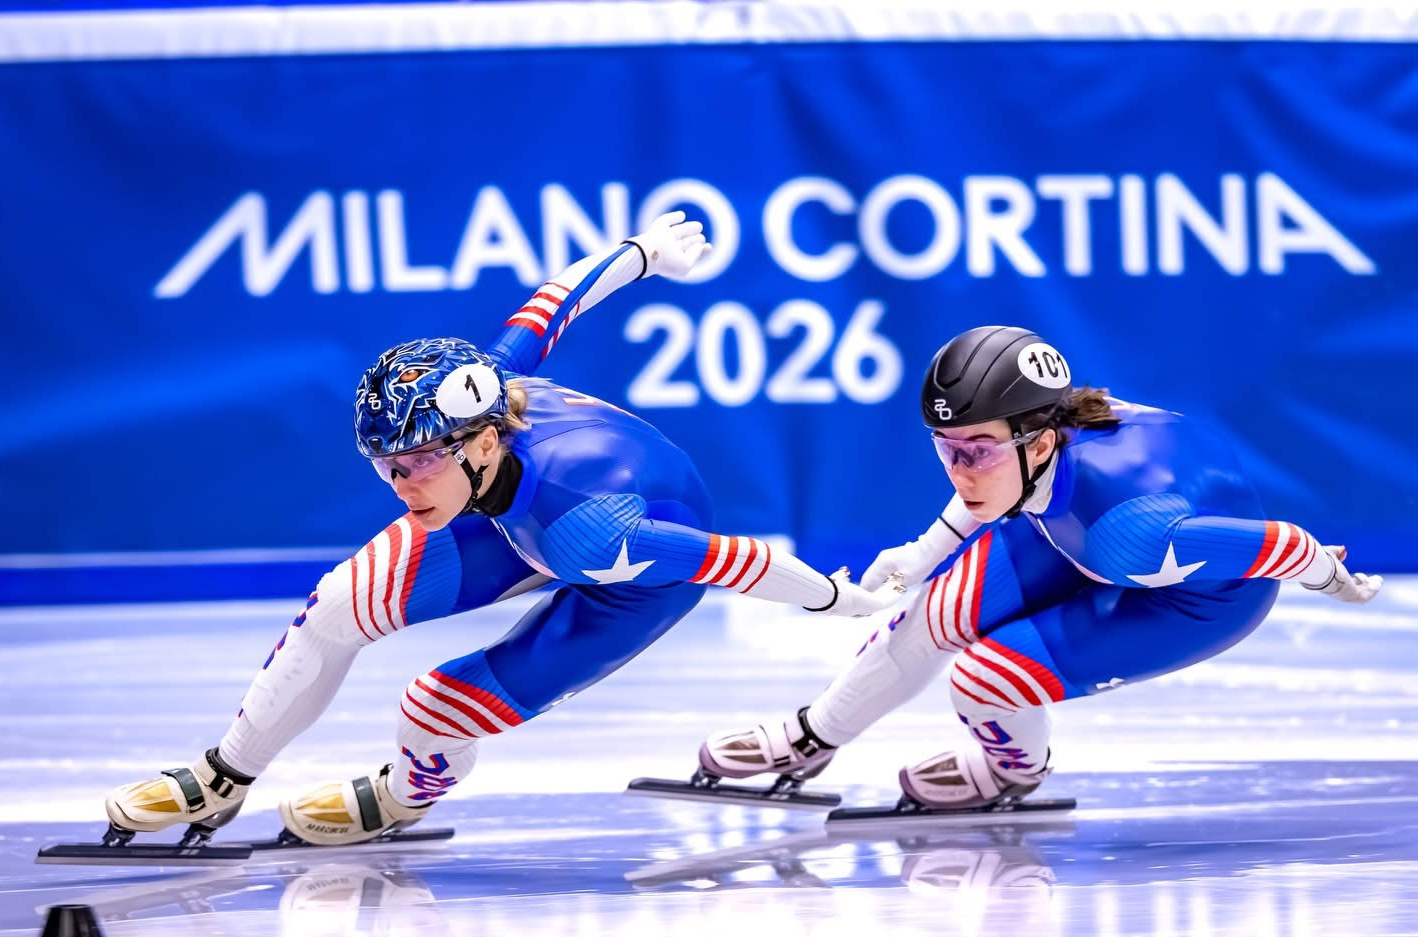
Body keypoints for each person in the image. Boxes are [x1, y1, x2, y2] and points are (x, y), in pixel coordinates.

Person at [104, 213, 904, 846]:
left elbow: (729, 561)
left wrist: (838, 598)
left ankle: (399, 798)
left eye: (417, 463)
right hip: (507, 514)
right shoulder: (486, 391)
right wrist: (642, 253)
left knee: (434, 707)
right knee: (336, 609)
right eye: (384, 465)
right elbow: (555, 300)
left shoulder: (589, 530)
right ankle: (223, 775)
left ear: (483, 440)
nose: (399, 484)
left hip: (624, 572)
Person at [700, 325, 1384, 810]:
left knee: (985, 678)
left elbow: (1283, 545)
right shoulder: (1030, 449)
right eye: (947, 448)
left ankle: (1010, 773)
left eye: (977, 451)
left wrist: (1336, 580)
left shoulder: (1131, 532)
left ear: (1043, 441)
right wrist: (920, 555)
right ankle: (812, 737)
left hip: (1190, 598)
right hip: (1075, 535)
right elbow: (985, 490)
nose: (961, 469)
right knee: (934, 613)